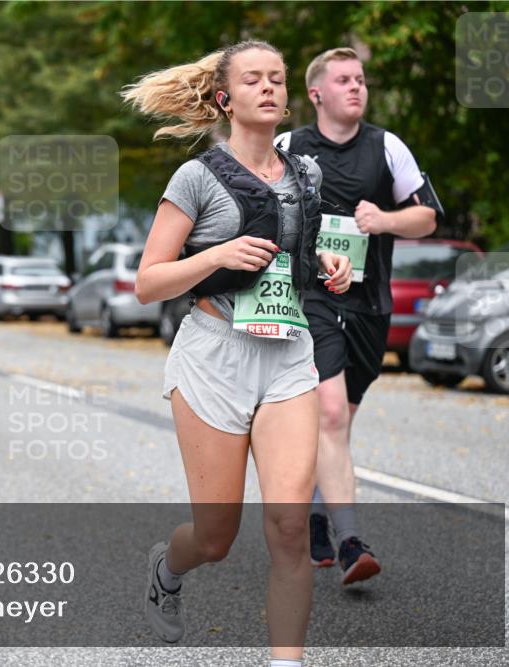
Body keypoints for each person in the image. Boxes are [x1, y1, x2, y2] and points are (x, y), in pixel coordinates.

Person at [122, 41, 353, 666]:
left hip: (286, 355)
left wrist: (327, 262)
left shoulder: (306, 173)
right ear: (226, 98)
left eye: (277, 79)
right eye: (253, 80)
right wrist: (216, 256)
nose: (270, 88)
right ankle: (168, 568)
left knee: (287, 530)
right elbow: (148, 282)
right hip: (213, 354)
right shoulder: (196, 177)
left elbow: (301, 249)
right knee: (216, 538)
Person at [275, 48, 441, 585]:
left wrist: (385, 218)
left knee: (338, 422)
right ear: (317, 93)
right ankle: (350, 542)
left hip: (370, 304)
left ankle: (319, 519)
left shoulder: (386, 146)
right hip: (313, 299)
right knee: (329, 415)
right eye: (343, 80)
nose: (356, 87)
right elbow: (261, 204)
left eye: (361, 79)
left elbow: (428, 219)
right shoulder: (290, 147)